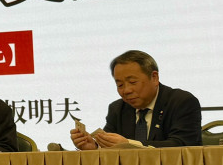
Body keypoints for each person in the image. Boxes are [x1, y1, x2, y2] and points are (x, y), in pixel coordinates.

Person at [69, 50, 201, 149]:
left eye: (132, 82)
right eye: (120, 85)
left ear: (154, 78)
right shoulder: (117, 109)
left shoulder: (181, 102)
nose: (126, 90)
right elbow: (109, 147)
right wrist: (94, 147)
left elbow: (182, 146)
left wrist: (128, 145)